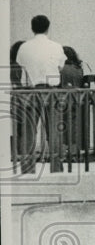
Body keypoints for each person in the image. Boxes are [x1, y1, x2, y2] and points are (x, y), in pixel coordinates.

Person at [16, 15, 66, 171]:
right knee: (55, 128)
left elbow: (21, 65)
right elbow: (60, 67)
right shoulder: (56, 46)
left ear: (32, 28)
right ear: (48, 27)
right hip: (51, 90)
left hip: (31, 90)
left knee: (29, 129)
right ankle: (57, 166)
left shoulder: (24, 47)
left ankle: (27, 166)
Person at [60, 46, 85, 159]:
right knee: (74, 126)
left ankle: (63, 152)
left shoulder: (61, 68)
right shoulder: (78, 68)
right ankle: (74, 152)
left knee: (61, 126)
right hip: (76, 99)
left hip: (62, 100)